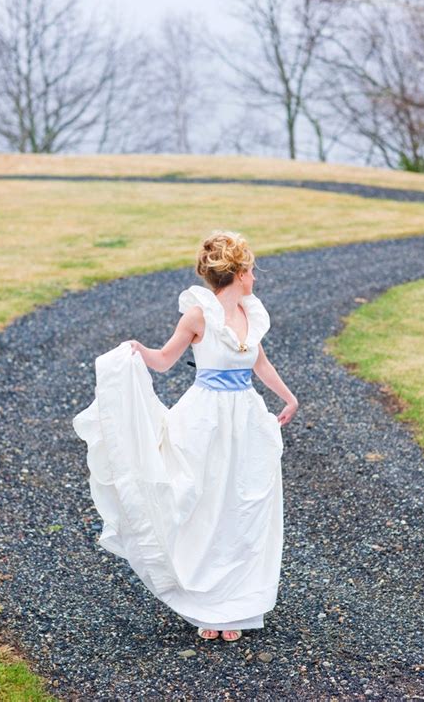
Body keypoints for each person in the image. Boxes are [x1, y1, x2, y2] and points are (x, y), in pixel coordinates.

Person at [73, 230, 298, 643]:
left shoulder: (251, 312)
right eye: (251, 270)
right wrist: (137, 351)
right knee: (203, 503)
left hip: (245, 418)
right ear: (239, 273)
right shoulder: (198, 314)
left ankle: (234, 605)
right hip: (205, 419)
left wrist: (287, 397)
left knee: (242, 504)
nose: (255, 277)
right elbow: (163, 362)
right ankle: (205, 603)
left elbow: (258, 359)